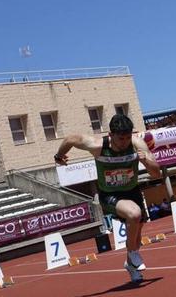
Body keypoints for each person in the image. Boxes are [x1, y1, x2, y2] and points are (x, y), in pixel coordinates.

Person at [54, 114, 160, 283]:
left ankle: (130, 264)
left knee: (136, 237)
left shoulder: (137, 144)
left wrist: (146, 160)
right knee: (134, 214)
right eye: (120, 138)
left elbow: (156, 173)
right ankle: (133, 254)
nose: (124, 142)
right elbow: (71, 139)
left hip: (132, 191)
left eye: (127, 137)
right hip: (109, 194)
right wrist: (59, 156)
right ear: (111, 135)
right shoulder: (98, 146)